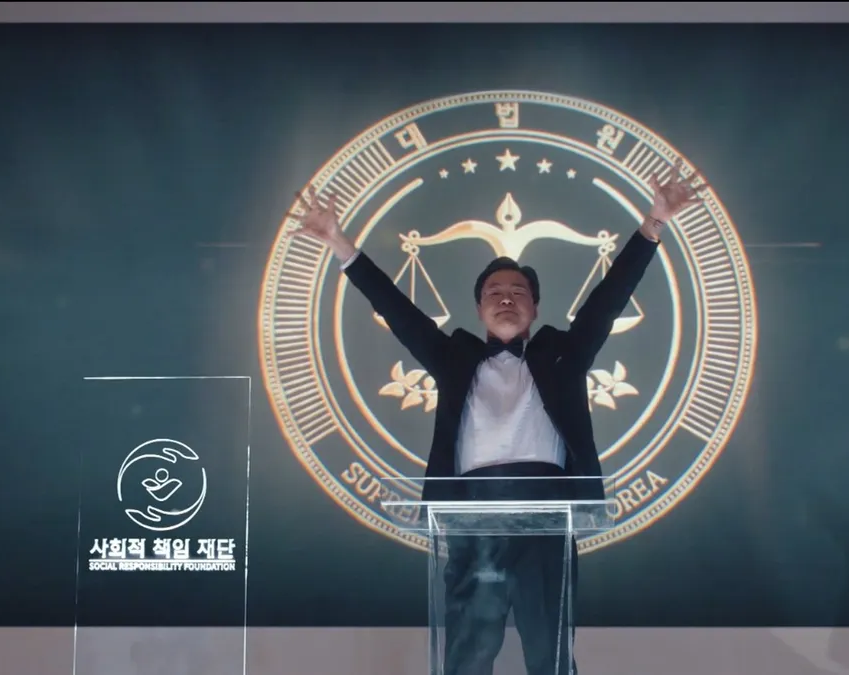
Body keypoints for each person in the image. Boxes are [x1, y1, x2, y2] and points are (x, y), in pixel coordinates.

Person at [290, 165, 706, 675]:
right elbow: (397, 311)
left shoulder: (563, 355)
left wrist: (654, 223)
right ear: (479, 307)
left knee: (550, 656)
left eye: (518, 292)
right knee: (467, 655)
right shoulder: (454, 358)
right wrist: (339, 243)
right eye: (494, 291)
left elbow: (609, 299)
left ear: (535, 307)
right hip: (472, 517)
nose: (506, 298)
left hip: (547, 518)